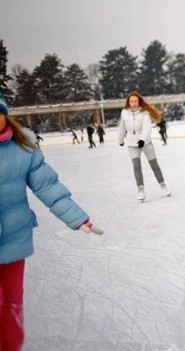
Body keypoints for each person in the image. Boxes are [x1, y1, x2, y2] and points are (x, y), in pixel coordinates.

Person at [0, 92, 103, 351]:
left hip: (14, 239)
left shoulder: (23, 147)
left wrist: (78, 218)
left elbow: (48, 187)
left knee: (12, 303)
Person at [117, 91, 171, 201]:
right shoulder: (124, 113)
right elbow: (122, 127)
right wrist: (121, 139)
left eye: (135, 101)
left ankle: (163, 185)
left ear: (139, 101)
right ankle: (141, 189)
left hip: (146, 143)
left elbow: (147, 128)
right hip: (132, 144)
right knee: (136, 166)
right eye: (131, 101)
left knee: (154, 165)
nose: (133, 103)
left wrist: (142, 140)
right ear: (128, 102)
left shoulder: (144, 113)